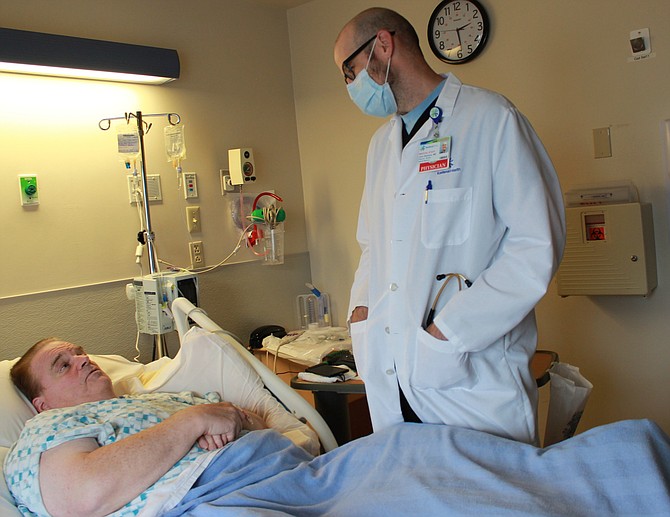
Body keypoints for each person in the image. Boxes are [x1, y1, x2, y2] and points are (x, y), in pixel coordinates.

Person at [335, 8, 566, 445]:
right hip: (394, 383)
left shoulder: (491, 120)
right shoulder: (381, 147)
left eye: (350, 70)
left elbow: (537, 245)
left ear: (383, 46)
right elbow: (372, 246)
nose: (350, 86)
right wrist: (361, 312)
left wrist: (450, 331)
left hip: (471, 386)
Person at [5, 338, 268, 517]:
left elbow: (254, 422)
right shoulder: (47, 427)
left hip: (271, 463)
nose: (83, 359)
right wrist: (191, 423)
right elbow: (82, 493)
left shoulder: (156, 399)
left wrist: (233, 420)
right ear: (43, 404)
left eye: (79, 352)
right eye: (63, 365)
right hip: (210, 500)